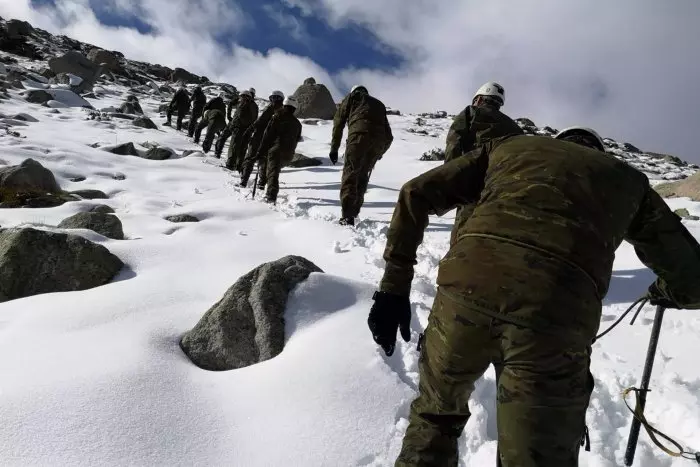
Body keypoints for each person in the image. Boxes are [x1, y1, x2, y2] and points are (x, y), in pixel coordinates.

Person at [368, 127, 700, 467]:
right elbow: (693, 277)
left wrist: (394, 287)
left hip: (465, 296)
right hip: (553, 321)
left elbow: (415, 192)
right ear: (600, 152)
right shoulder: (628, 181)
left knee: (433, 419)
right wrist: (666, 291)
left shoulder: (508, 148)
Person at [445, 81, 525, 246]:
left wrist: (449, 178)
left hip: (473, 182)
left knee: (463, 231)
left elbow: (454, 143)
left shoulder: (470, 113)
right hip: (502, 187)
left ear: (479, 99)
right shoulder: (515, 127)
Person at [330, 85, 393, 226]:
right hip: (377, 143)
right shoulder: (379, 105)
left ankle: (347, 216)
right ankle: (354, 213)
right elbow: (389, 136)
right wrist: (379, 152)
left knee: (350, 175)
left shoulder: (353, 97)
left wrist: (334, 149)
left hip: (358, 136)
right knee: (362, 177)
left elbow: (338, 122)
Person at [256, 96, 302, 204]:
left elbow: (267, 135)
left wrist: (260, 151)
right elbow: (297, 139)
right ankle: (265, 188)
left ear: (284, 105)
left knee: (272, 173)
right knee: (273, 171)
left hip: (276, 150)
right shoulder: (297, 123)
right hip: (289, 153)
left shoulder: (277, 116)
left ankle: (271, 197)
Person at [239, 90, 285, 188]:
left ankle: (244, 180)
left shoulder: (270, 108)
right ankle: (261, 183)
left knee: (251, 157)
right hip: (270, 140)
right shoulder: (284, 111)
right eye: (272, 98)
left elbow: (260, 120)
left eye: (274, 98)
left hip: (259, 136)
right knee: (263, 160)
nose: (273, 100)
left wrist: (249, 130)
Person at [224, 90, 259, 171]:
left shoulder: (243, 104)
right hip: (248, 130)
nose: (241, 98)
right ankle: (238, 166)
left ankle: (230, 165)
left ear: (245, 96)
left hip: (239, 129)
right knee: (242, 148)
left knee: (234, 146)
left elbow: (239, 116)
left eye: (242, 96)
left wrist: (234, 125)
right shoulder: (254, 105)